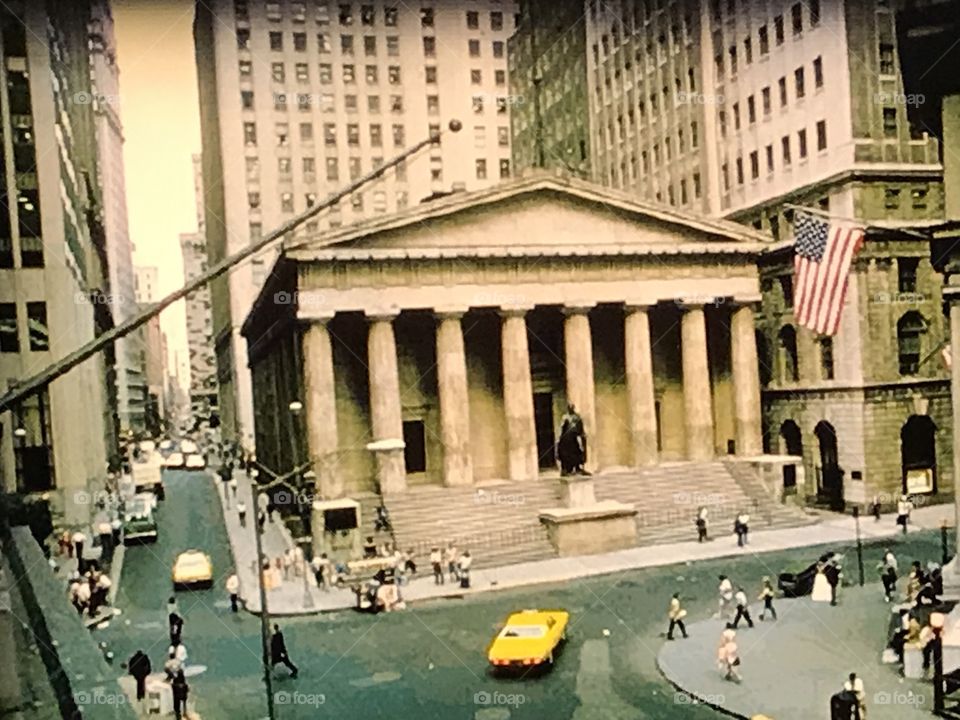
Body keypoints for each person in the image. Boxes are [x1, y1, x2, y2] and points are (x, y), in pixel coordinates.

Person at [557, 404, 587, 476]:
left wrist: (582, 435)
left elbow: (580, 427)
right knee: (565, 453)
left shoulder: (577, 417)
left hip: (574, 437)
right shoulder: (565, 417)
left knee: (577, 452)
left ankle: (578, 467)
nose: (570, 409)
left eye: (572, 407)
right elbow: (562, 428)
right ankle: (565, 469)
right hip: (566, 439)